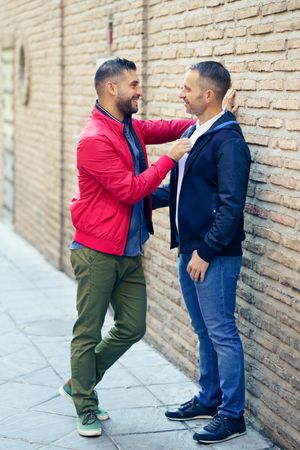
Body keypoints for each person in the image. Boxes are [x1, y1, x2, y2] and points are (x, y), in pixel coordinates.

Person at [58, 57, 194, 437]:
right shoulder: (94, 140)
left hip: (129, 249)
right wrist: (170, 158)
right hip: (97, 253)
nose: (140, 91)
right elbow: (130, 189)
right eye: (134, 84)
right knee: (88, 330)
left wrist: (201, 119)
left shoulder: (127, 127)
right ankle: (85, 403)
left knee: (132, 327)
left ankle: (78, 382)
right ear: (111, 89)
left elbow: (158, 127)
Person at [153, 61, 251, 444]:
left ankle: (231, 415)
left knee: (222, 332)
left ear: (207, 95)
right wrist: (134, 197)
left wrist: (206, 252)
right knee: (204, 330)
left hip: (214, 257)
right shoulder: (197, 132)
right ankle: (209, 398)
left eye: (186, 88)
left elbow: (231, 207)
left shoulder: (229, 142)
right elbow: (177, 193)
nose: (181, 94)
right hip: (189, 252)